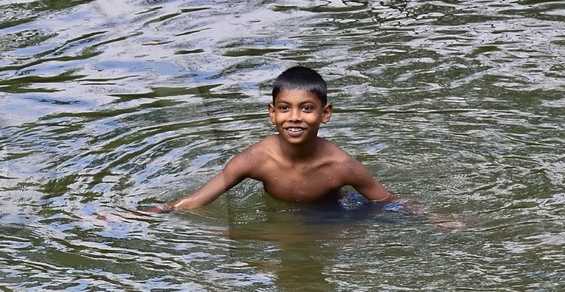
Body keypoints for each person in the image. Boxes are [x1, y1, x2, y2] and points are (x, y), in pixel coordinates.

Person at [150, 65, 421, 214]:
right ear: (272, 113)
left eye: (306, 108)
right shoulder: (255, 159)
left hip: (335, 213)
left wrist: (438, 219)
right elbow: (197, 199)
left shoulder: (341, 165)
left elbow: (386, 199)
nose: (294, 117)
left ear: (325, 114)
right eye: (284, 108)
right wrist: (151, 212)